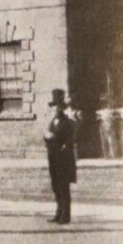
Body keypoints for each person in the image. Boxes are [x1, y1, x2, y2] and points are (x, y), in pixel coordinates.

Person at [44, 87, 78, 224]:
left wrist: (55, 138)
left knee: (64, 186)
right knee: (56, 185)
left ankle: (66, 215)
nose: (55, 109)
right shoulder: (54, 121)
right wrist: (46, 137)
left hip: (63, 158)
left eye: (57, 106)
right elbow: (49, 135)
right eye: (54, 106)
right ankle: (58, 212)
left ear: (61, 107)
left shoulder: (67, 121)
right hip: (53, 156)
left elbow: (70, 139)